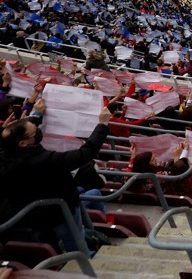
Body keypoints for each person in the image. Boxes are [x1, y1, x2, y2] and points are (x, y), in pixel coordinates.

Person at [0, 102, 112, 254]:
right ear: (23, 143)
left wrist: (36, 115)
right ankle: (84, 266)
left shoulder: (6, 153)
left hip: (32, 212)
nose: (37, 131)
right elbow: (85, 153)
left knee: (49, 242)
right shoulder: (43, 160)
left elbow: (15, 134)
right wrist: (102, 125)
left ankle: (57, 261)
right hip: (58, 210)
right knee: (75, 242)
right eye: (35, 132)